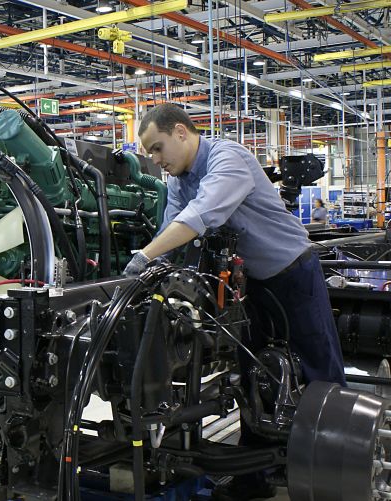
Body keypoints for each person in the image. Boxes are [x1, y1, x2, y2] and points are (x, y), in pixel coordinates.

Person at [126, 104, 345, 500]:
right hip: (252, 285)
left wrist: (144, 256)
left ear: (181, 132)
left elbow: (199, 216)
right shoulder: (178, 181)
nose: (156, 160)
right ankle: (254, 477)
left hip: (293, 273)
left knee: (319, 366)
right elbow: (170, 230)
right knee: (254, 376)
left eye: (158, 148)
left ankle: (338, 470)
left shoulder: (228, 158)